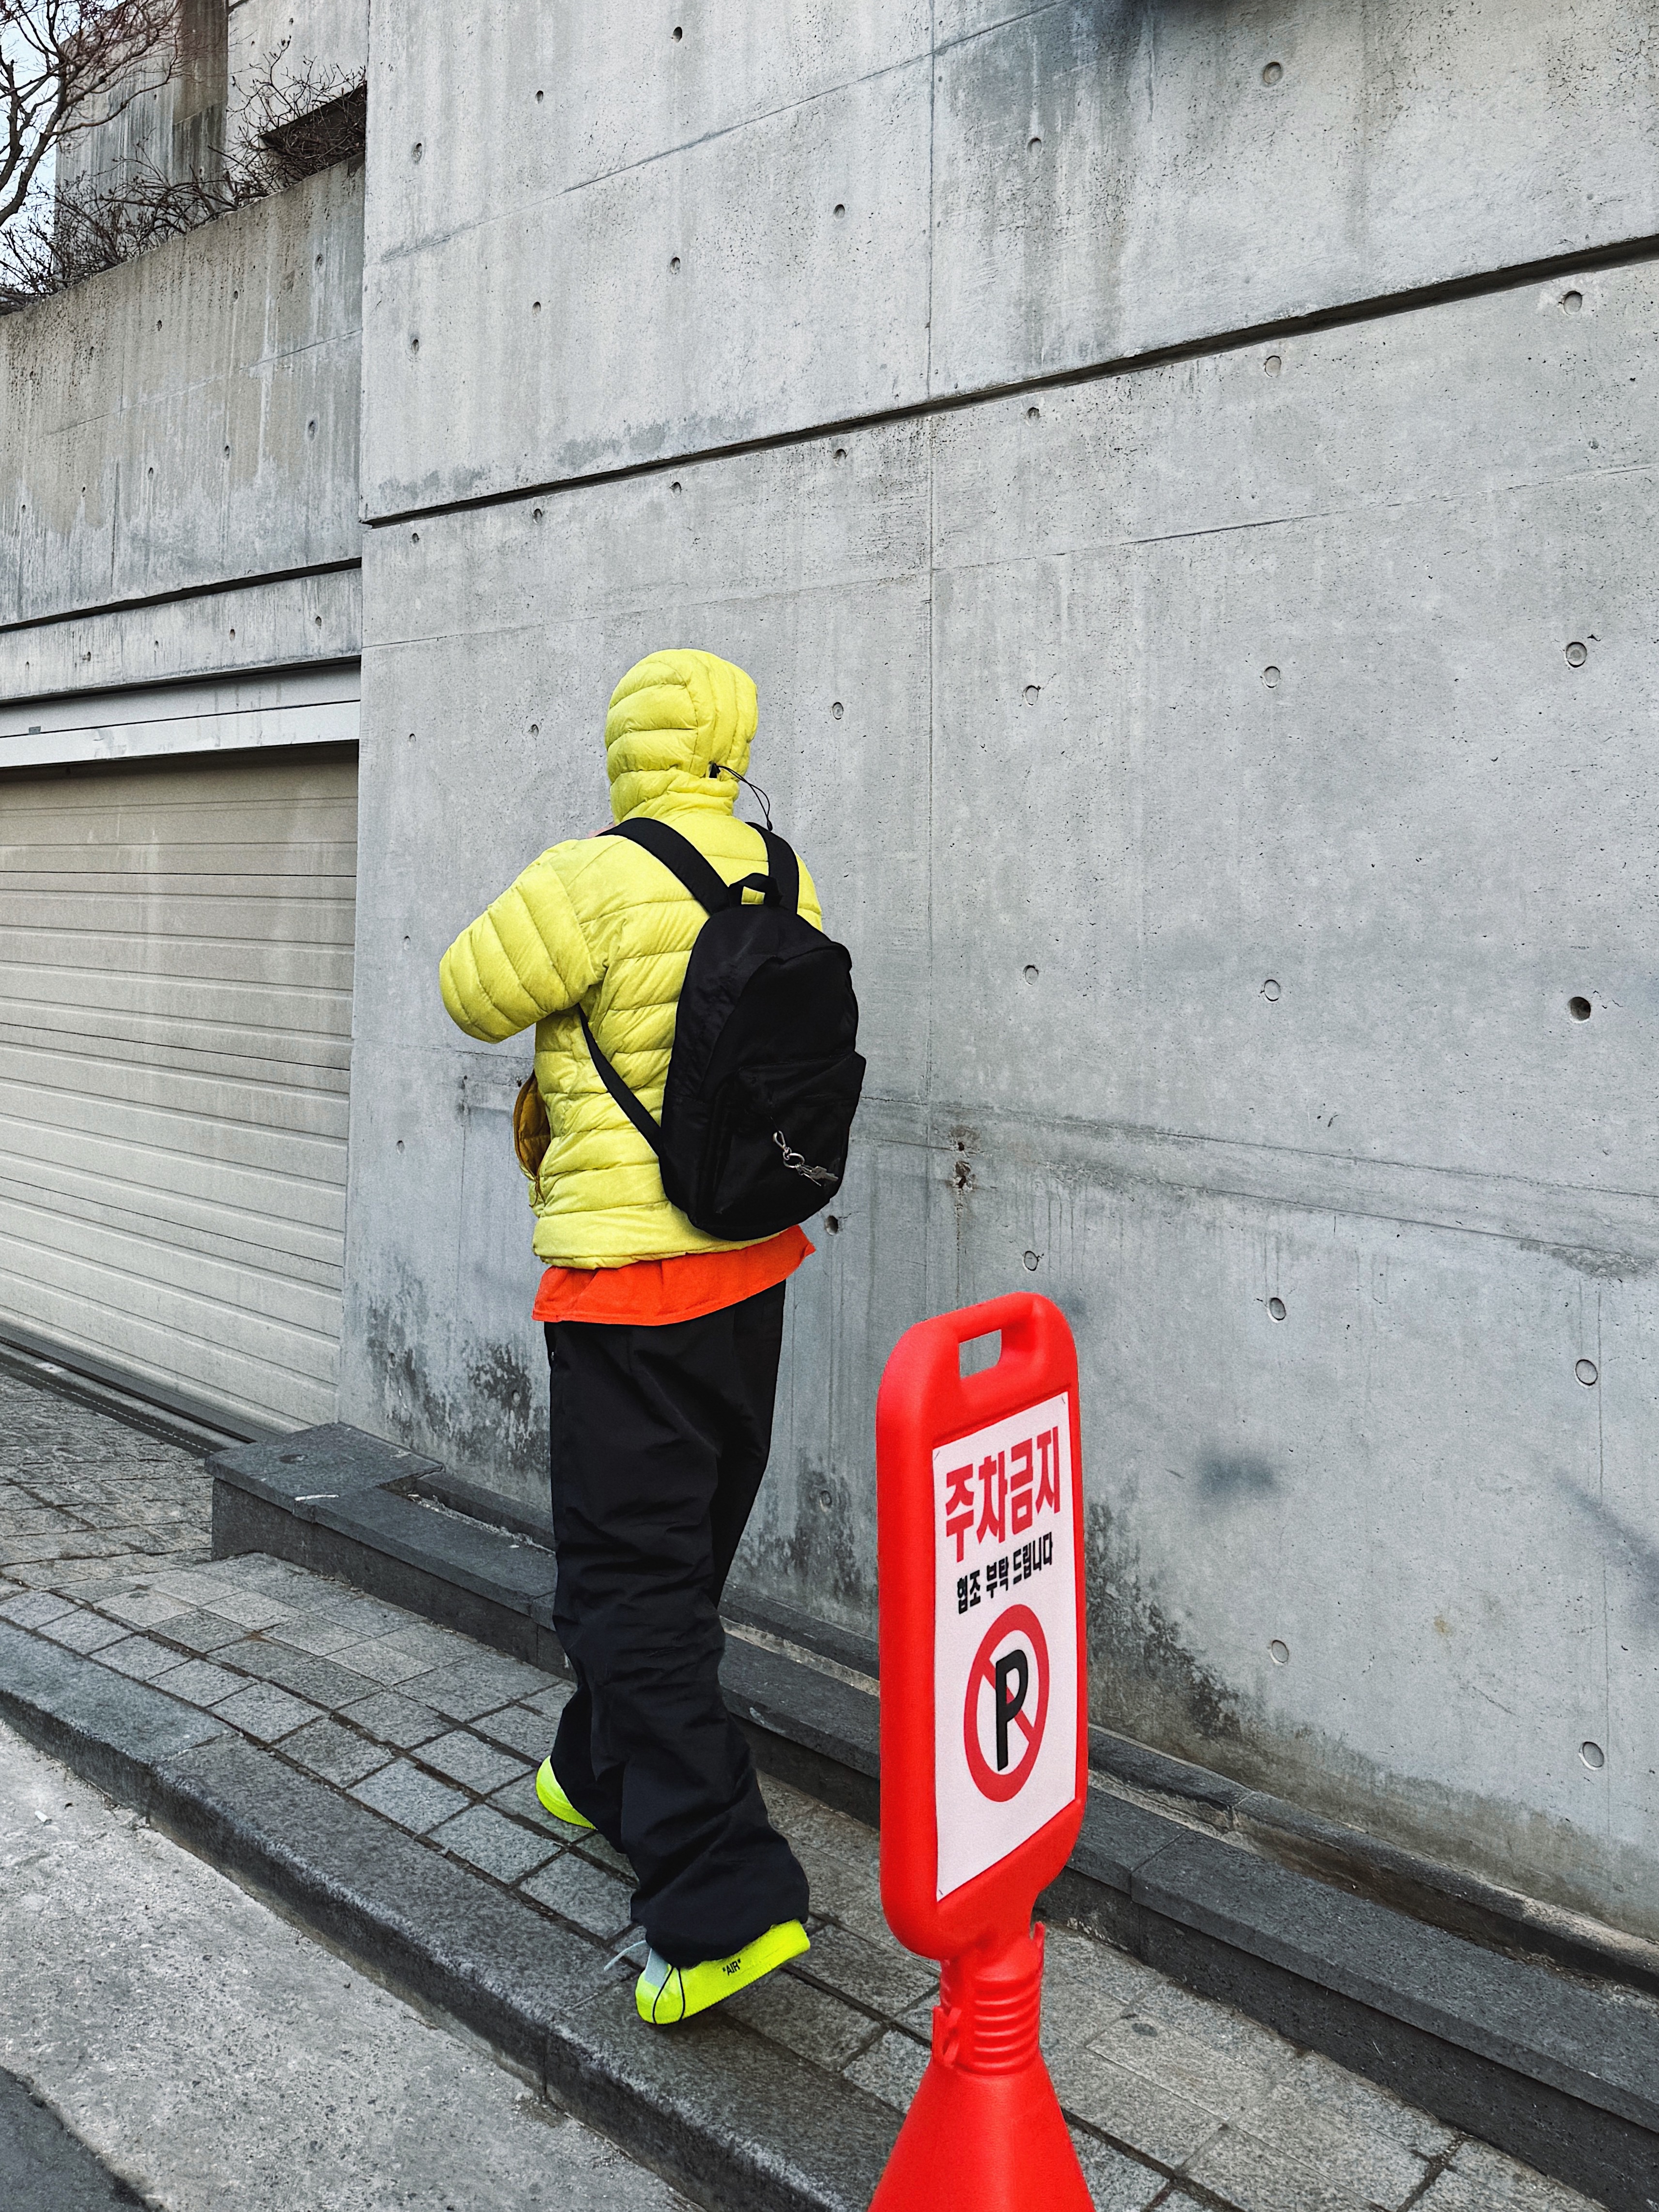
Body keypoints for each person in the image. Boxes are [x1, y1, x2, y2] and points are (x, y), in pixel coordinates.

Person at [438, 648, 815, 2026]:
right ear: (732, 744)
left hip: (629, 1292)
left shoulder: (592, 876)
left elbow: (469, 989)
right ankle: (595, 1769)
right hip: (754, 1275)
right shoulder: (782, 877)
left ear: (627, 746)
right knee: (674, 1556)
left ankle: (724, 1902)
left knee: (626, 1583)